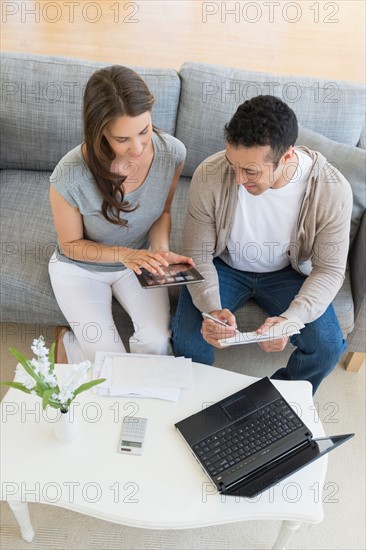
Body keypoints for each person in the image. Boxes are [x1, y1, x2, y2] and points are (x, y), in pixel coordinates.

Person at [172, 95, 352, 393]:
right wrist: (212, 309)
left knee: (327, 346)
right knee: (189, 339)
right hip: (225, 266)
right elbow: (198, 254)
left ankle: (280, 400)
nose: (238, 179)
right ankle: (195, 401)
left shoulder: (332, 190)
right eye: (234, 165)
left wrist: (289, 319)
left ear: (287, 157)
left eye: (251, 171)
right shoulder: (210, 173)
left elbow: (330, 271)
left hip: (287, 273)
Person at [49, 65, 193, 364]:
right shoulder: (69, 175)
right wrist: (124, 255)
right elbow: (71, 245)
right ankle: (67, 343)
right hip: (81, 267)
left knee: (157, 345)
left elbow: (162, 212)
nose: (138, 148)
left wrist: (161, 252)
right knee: (109, 362)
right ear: (99, 132)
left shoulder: (172, 154)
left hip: (137, 261)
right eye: (123, 139)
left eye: (144, 131)